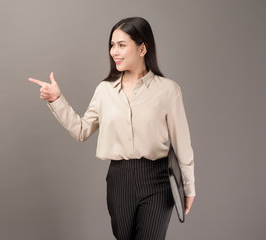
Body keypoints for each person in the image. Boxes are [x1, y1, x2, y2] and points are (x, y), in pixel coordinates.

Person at [29, 17, 195, 240]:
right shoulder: (104, 90)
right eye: (112, 45)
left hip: (158, 179)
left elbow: (181, 143)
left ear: (142, 48)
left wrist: (189, 186)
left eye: (121, 45)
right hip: (119, 181)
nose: (114, 52)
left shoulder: (168, 90)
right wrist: (57, 99)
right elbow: (81, 130)